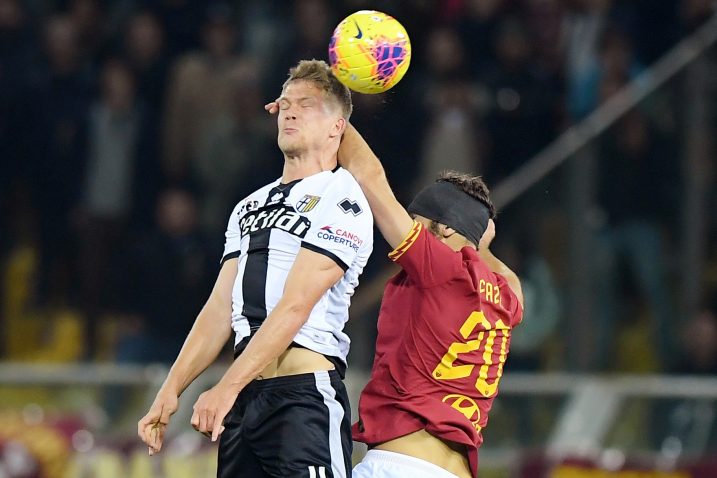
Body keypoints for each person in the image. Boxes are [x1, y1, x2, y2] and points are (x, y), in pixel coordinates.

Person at [137, 59, 373, 478]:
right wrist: (170, 391)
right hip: (245, 402)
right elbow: (218, 307)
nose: (291, 111)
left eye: (307, 104)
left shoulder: (343, 197)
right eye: (285, 103)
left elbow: (295, 305)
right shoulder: (249, 205)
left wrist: (225, 386)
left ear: (338, 127)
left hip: (303, 399)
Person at [338, 124, 524, 478]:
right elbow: (509, 277)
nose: (410, 229)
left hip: (402, 467)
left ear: (448, 229)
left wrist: (332, 115)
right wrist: (477, 241)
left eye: (416, 221)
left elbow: (370, 177)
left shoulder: (441, 270)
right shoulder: (506, 297)